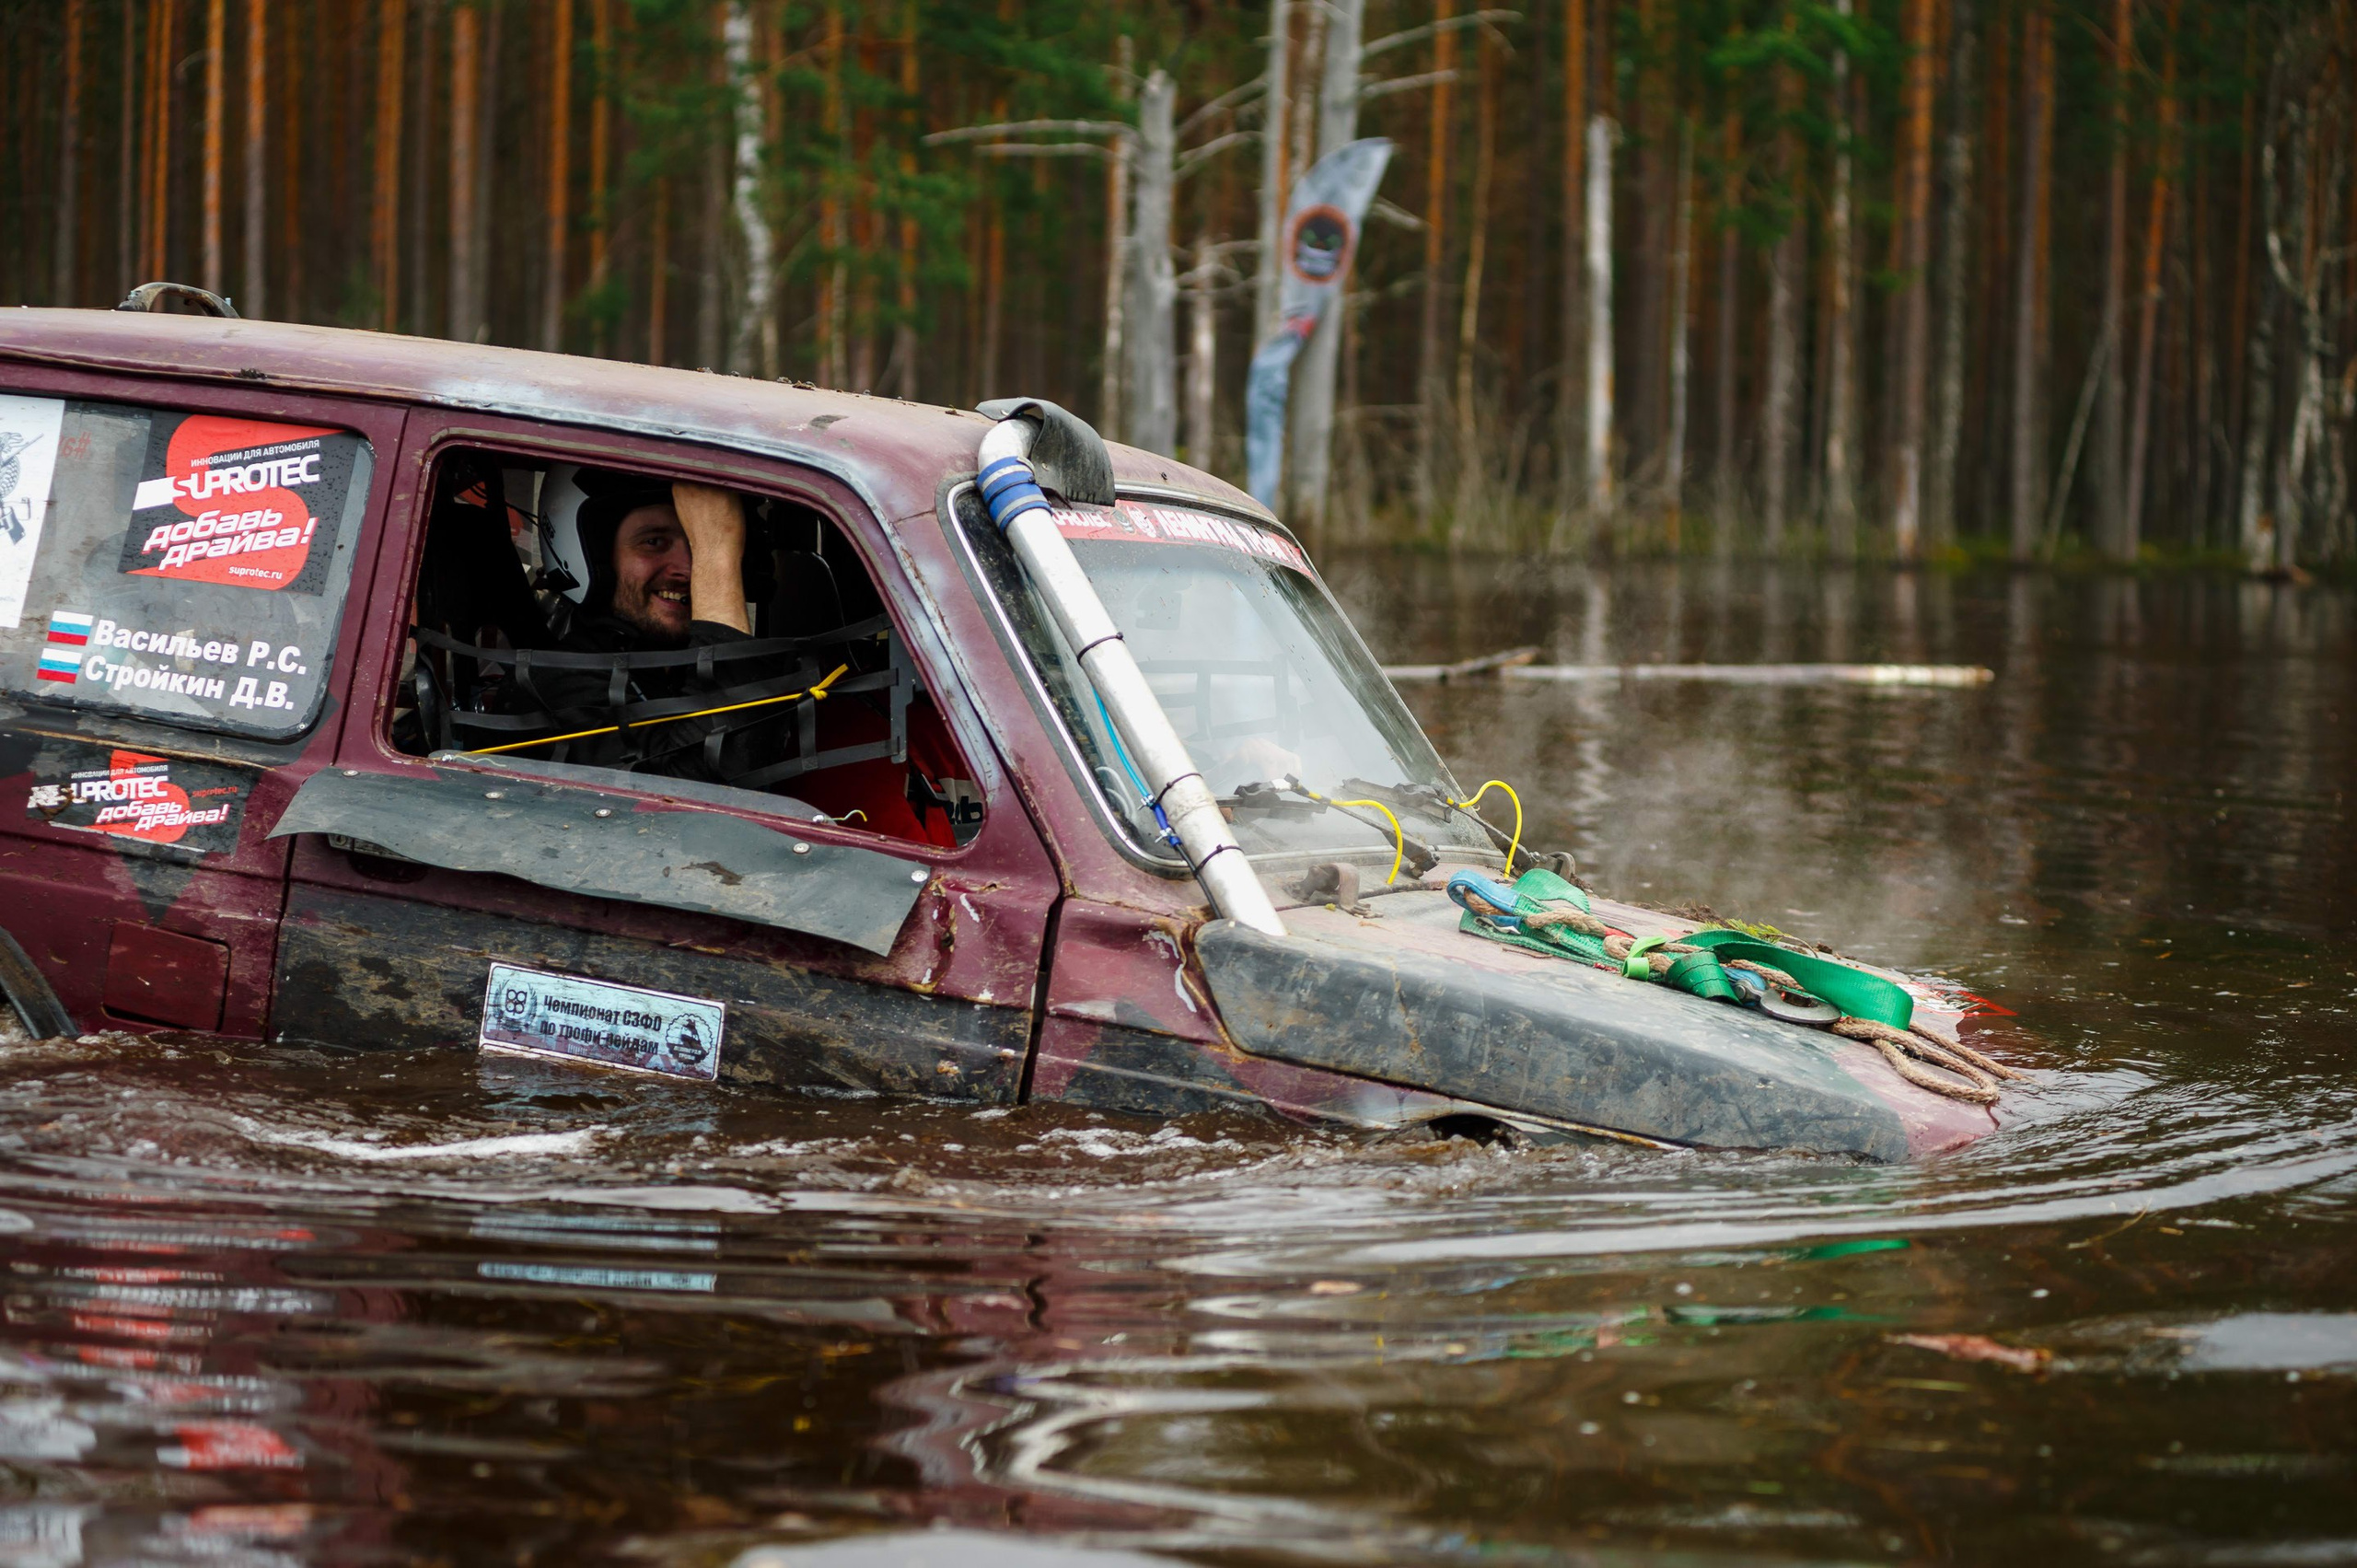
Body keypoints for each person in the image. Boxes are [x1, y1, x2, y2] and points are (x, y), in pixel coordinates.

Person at [528, 475, 775, 782]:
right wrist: (715, 555)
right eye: (654, 542)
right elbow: (693, 793)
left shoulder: (677, 664)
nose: (687, 570)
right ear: (597, 558)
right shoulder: (560, 679)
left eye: (695, 543)